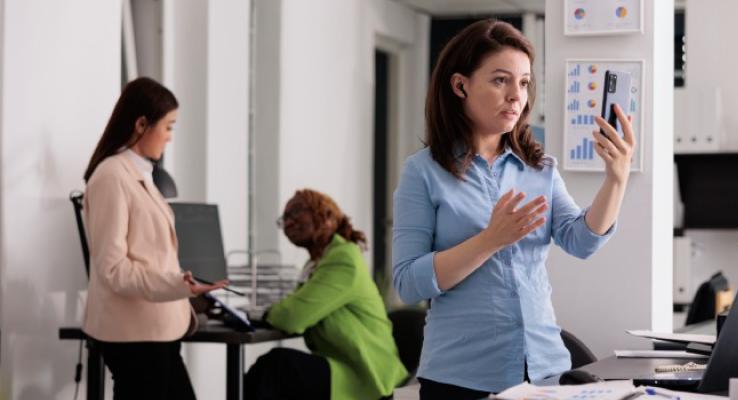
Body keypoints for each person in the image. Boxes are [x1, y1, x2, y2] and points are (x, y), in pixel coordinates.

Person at [392, 20, 635, 399]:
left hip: (544, 373)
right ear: (461, 85)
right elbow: (408, 282)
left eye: (523, 83)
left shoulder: (540, 169)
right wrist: (490, 240)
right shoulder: (422, 172)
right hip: (459, 380)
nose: (516, 96)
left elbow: (582, 241)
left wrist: (615, 180)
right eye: (500, 80)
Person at [82, 77, 228, 400]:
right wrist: (178, 285)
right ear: (141, 124)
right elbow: (113, 269)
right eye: (168, 127)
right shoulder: (111, 178)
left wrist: (186, 289)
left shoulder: (139, 176)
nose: (170, 137)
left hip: (155, 332)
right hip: (134, 335)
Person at [245, 189, 407, 400]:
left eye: (296, 212)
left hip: (367, 377)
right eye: (284, 218)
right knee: (270, 373)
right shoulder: (316, 265)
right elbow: (296, 309)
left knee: (277, 367)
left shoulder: (344, 258)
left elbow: (293, 317)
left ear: (327, 215)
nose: (288, 222)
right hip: (342, 368)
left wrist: (263, 314)